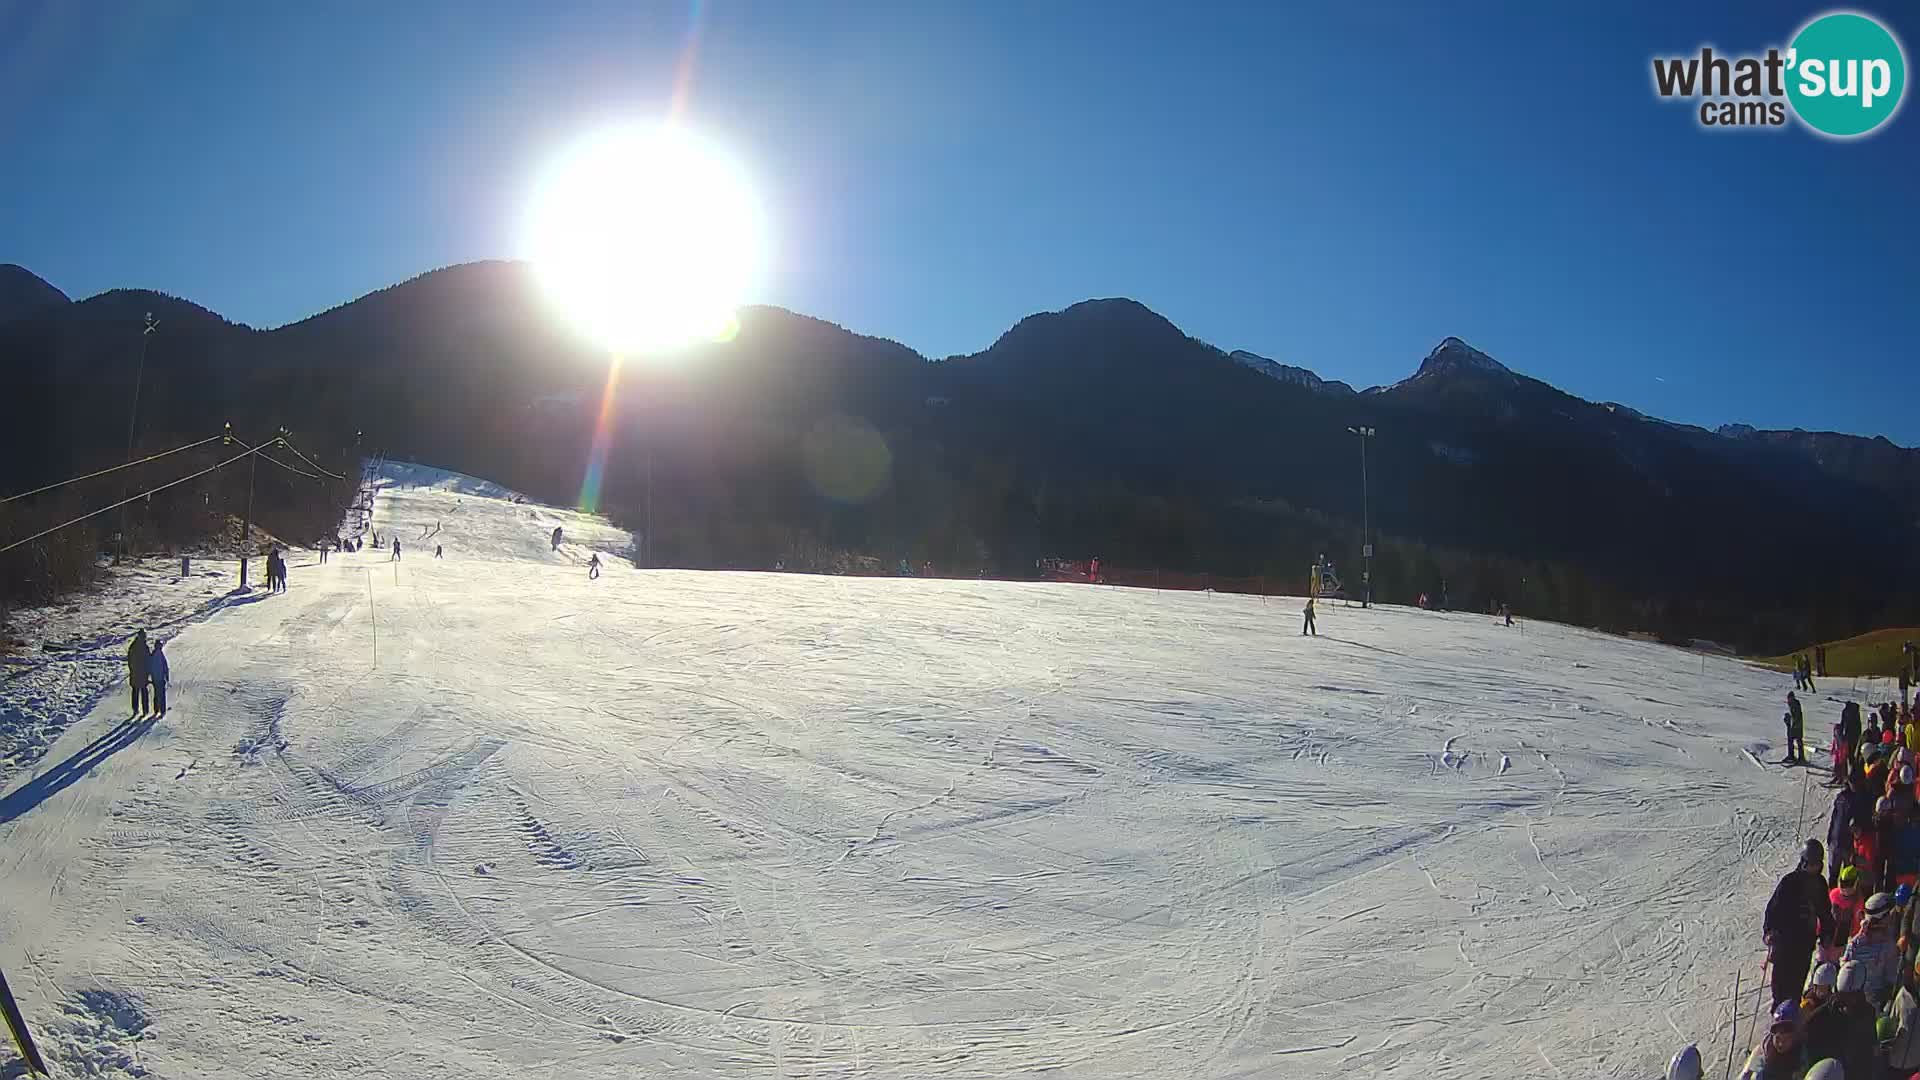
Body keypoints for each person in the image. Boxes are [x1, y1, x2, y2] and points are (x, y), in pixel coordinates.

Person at [1766, 839, 1835, 1008]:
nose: (1814, 867)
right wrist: (1770, 932)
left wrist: (1827, 933)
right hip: (1785, 942)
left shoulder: (1819, 884)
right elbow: (1773, 910)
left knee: (1796, 985)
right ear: (1803, 862)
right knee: (1780, 985)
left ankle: (1792, 1018)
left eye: (1817, 864)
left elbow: (1825, 912)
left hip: (1804, 942)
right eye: (1810, 864)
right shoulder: (1789, 882)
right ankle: (1778, 1015)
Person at [1841, 892, 1901, 1003]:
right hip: (1874, 1006)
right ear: (1884, 917)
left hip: (1852, 1002)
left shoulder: (1854, 942)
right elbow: (1891, 980)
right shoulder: (1888, 946)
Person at [1735, 1000, 1806, 1078]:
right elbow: (1747, 1074)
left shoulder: (1804, 1049)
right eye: (1778, 1038)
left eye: (1786, 1039)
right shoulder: (1765, 1052)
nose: (1780, 1044)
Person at [125, 629, 150, 716]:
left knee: (142, 692)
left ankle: (144, 710)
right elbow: (130, 660)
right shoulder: (135, 647)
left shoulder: (140, 646)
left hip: (140, 673)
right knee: (137, 691)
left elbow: (148, 660)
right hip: (138, 673)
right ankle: (136, 709)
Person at [148, 639, 170, 717]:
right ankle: (162, 710)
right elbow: (165, 667)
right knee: (162, 694)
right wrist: (167, 677)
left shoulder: (152, 654)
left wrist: (149, 676)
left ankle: (156, 709)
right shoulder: (160, 654)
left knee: (156, 694)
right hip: (160, 678)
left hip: (155, 678)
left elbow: (149, 666)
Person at [1787, 692, 1807, 765]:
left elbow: (1797, 716)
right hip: (1794, 725)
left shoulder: (1795, 704)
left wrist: (1794, 724)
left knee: (1798, 741)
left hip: (1797, 726)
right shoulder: (1791, 704)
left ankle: (1801, 757)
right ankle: (1791, 756)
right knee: (1791, 740)